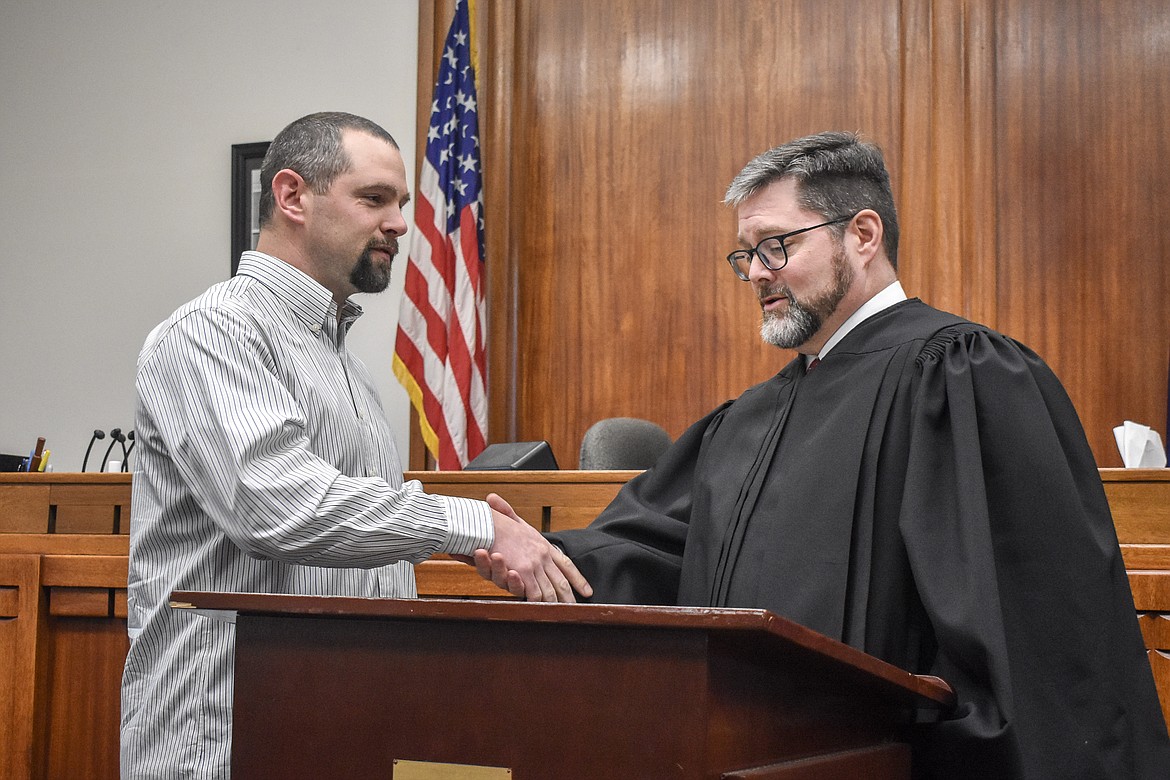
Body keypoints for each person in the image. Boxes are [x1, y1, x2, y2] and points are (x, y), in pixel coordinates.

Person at [492, 131, 1170, 777]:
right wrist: (543, 558)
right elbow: (658, 546)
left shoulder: (964, 378)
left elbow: (1030, 635)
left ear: (863, 234)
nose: (755, 272)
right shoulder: (749, 420)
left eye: (775, 245)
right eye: (746, 253)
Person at [120, 111, 588, 779]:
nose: (399, 223)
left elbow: (359, 529)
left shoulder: (346, 365)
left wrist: (482, 544)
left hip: (332, 725)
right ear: (292, 197)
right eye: (374, 199)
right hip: (220, 739)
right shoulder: (212, 333)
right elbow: (278, 508)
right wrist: (468, 523)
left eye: (399, 202)